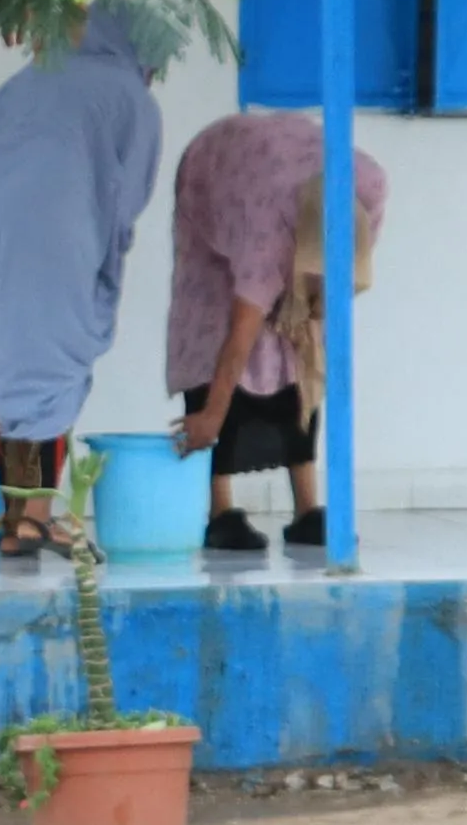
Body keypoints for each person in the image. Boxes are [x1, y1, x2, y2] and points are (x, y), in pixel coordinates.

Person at [0, 10, 167, 557]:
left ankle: (18, 516)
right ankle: (34, 520)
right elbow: (128, 194)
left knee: (13, 365)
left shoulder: (36, 74)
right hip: (52, 228)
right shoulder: (129, 95)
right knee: (49, 369)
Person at [161, 106, 387, 563]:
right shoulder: (265, 239)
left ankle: (307, 507)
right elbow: (237, 341)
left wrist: (314, 303)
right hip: (218, 168)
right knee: (213, 323)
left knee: (301, 347)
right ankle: (219, 509)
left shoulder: (370, 187)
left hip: (278, 160)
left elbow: (345, 274)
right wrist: (210, 417)